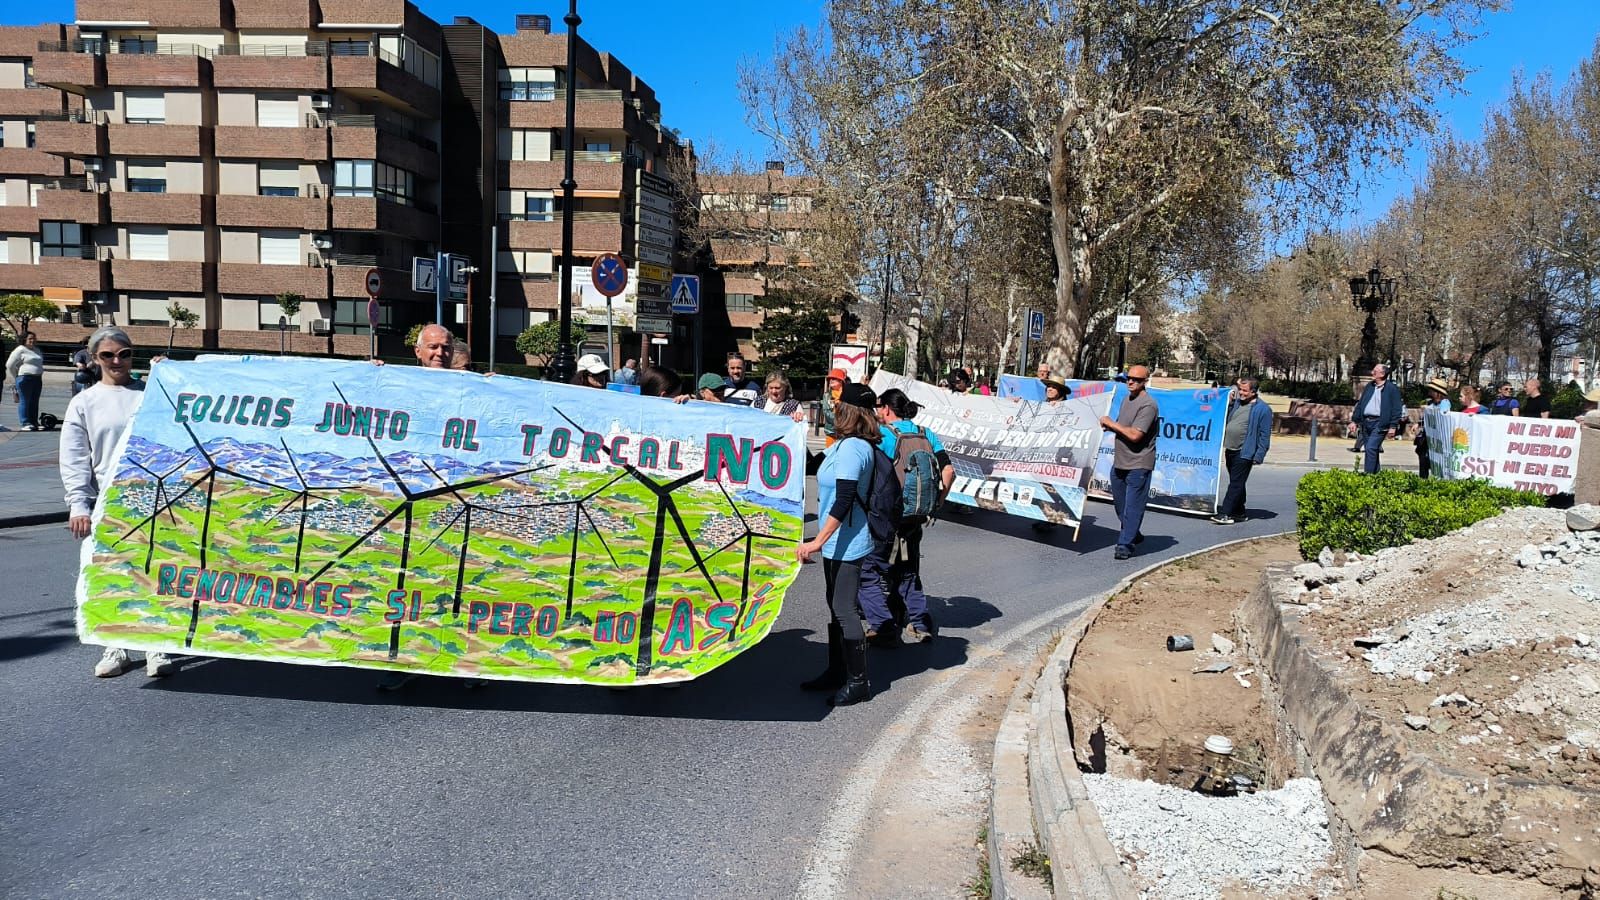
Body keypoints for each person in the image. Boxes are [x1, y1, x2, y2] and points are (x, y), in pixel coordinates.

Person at [61, 327, 177, 678]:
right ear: (94, 358)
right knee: (112, 574)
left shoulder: (150, 394)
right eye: (108, 355)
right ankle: (116, 646)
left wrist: (170, 377)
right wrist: (79, 504)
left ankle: (156, 644)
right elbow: (75, 457)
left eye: (124, 354)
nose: (117, 361)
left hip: (155, 496)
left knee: (154, 572)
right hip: (108, 499)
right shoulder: (84, 402)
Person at [795, 383, 882, 706]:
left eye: (837, 404)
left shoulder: (854, 449)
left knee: (844, 609)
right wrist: (795, 432)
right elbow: (811, 467)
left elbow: (844, 499)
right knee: (836, 606)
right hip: (837, 542)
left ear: (849, 410)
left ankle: (859, 682)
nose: (833, 408)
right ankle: (837, 671)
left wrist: (816, 542)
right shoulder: (841, 445)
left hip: (848, 542)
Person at [869, 388, 954, 643]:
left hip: (889, 514)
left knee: (875, 569)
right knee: (908, 569)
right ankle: (920, 623)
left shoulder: (883, 435)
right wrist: (936, 503)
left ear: (886, 408)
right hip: (916, 515)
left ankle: (883, 625)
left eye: (878, 407)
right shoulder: (926, 433)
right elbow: (949, 471)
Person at [1099, 364, 1158, 559]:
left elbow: (1134, 435)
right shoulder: (1127, 399)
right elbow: (1121, 427)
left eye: (1136, 380)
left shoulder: (1148, 405)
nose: (1131, 382)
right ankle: (1133, 533)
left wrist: (1111, 424)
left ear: (1145, 381)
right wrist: (1108, 426)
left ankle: (1125, 545)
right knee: (1120, 505)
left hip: (1139, 463)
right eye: (1128, 378)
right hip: (1120, 462)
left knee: (1133, 506)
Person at [1211, 375, 1272, 524]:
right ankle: (1239, 512)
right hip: (1230, 449)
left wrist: (1259, 455)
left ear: (1253, 392)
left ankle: (1225, 513)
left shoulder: (1263, 409)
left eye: (1245, 390)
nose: (1241, 393)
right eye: (1240, 389)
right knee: (1237, 481)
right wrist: (1229, 402)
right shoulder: (1237, 404)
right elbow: (1224, 414)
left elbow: (1264, 435)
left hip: (1245, 452)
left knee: (1235, 483)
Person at [1346, 364, 1403, 474]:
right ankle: (1376, 475)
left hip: (1380, 424)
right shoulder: (1370, 386)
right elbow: (1361, 404)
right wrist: (1354, 421)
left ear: (1382, 374)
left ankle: (1368, 475)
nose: (1372, 372)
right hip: (1366, 423)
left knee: (1371, 448)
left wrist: (1393, 426)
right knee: (1372, 450)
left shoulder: (1392, 389)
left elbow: (1397, 409)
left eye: (1375, 371)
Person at [6, 331, 45, 431]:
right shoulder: (20, 349)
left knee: (34, 401)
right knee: (25, 401)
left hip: (37, 378)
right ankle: (25, 422)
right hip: (25, 378)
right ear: (24, 339)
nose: (33, 340)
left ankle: (34, 422)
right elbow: (9, 365)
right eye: (30, 338)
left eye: (34, 338)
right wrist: (16, 376)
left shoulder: (37, 350)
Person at [1415, 378, 1452, 478]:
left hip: (1437, 437)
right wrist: (1418, 424)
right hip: (1427, 437)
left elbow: (1443, 416)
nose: (1429, 391)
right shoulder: (1430, 402)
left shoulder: (1444, 403)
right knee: (1423, 458)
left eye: (1431, 390)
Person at [820, 368, 847, 448]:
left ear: (841, 381)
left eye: (834, 378)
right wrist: (841, 421)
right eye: (830, 379)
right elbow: (827, 413)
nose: (831, 380)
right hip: (831, 432)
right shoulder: (827, 395)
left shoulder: (847, 395)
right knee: (830, 454)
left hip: (845, 433)